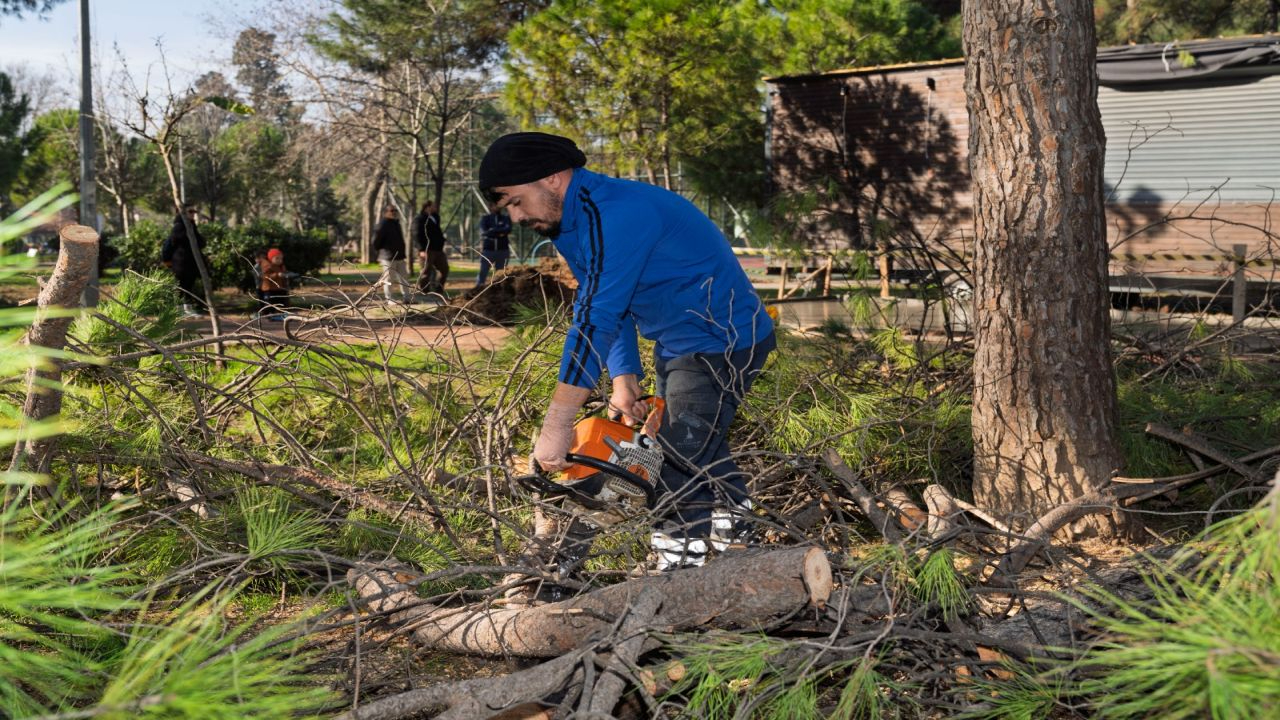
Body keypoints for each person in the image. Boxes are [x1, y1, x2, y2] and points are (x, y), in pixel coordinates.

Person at [479, 132, 775, 572]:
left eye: (517, 201)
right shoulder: (571, 223)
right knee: (700, 444)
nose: (517, 216)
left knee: (674, 460)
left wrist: (557, 424)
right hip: (679, 341)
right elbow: (605, 303)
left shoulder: (617, 214)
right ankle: (742, 532)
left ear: (553, 178)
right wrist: (623, 379)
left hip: (723, 342)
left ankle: (678, 577)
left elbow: (595, 319)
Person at [160, 204, 208, 317]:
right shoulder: (178, 227)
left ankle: (187, 310)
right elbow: (171, 243)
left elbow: (200, 242)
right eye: (190, 212)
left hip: (191, 263)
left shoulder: (191, 226)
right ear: (182, 213)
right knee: (181, 287)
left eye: (193, 212)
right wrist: (166, 260)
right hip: (180, 263)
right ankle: (180, 311)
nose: (193, 214)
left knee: (189, 286)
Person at [372, 204, 409, 302]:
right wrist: (383, 251)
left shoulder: (396, 223)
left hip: (400, 256)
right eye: (392, 211)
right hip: (388, 257)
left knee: (404, 278)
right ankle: (390, 299)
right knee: (389, 279)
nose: (394, 213)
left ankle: (407, 298)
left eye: (395, 211)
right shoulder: (382, 224)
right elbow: (375, 241)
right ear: (386, 212)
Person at [414, 200, 449, 294]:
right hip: (427, 249)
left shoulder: (435, 217)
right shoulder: (420, 218)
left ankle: (438, 289)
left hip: (438, 249)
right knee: (426, 271)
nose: (435, 207)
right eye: (433, 206)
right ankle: (424, 290)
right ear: (427, 207)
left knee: (444, 269)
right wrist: (421, 249)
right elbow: (417, 234)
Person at [476, 205, 512, 286]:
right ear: (490, 206)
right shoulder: (485, 218)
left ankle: (499, 291)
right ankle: (478, 290)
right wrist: (499, 232)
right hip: (488, 251)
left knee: (501, 274)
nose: (497, 206)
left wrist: (492, 230)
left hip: (503, 251)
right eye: (494, 204)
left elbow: (508, 229)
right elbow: (483, 232)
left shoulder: (505, 218)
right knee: (483, 272)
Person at [257, 248, 290, 320]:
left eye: (281, 258)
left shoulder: (281, 266)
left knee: (280, 302)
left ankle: (279, 315)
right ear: (271, 258)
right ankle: (269, 315)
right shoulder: (267, 266)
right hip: (269, 289)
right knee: (270, 303)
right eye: (277, 258)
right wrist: (276, 275)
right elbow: (265, 277)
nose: (279, 260)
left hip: (279, 288)